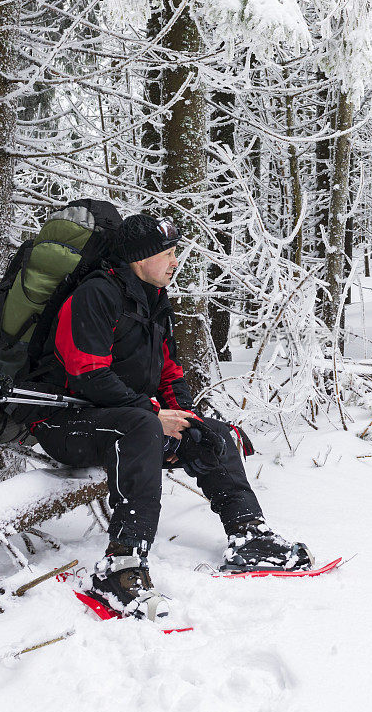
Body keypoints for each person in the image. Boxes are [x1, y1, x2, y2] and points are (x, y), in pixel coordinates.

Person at [30, 213, 311, 621]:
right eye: (167, 253)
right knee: (143, 426)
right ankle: (120, 566)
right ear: (140, 258)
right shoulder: (95, 295)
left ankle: (248, 534)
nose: (175, 261)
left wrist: (186, 417)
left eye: (174, 251)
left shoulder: (152, 299)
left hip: (124, 419)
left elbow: (167, 373)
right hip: (64, 421)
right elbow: (86, 373)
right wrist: (151, 413)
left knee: (212, 432)